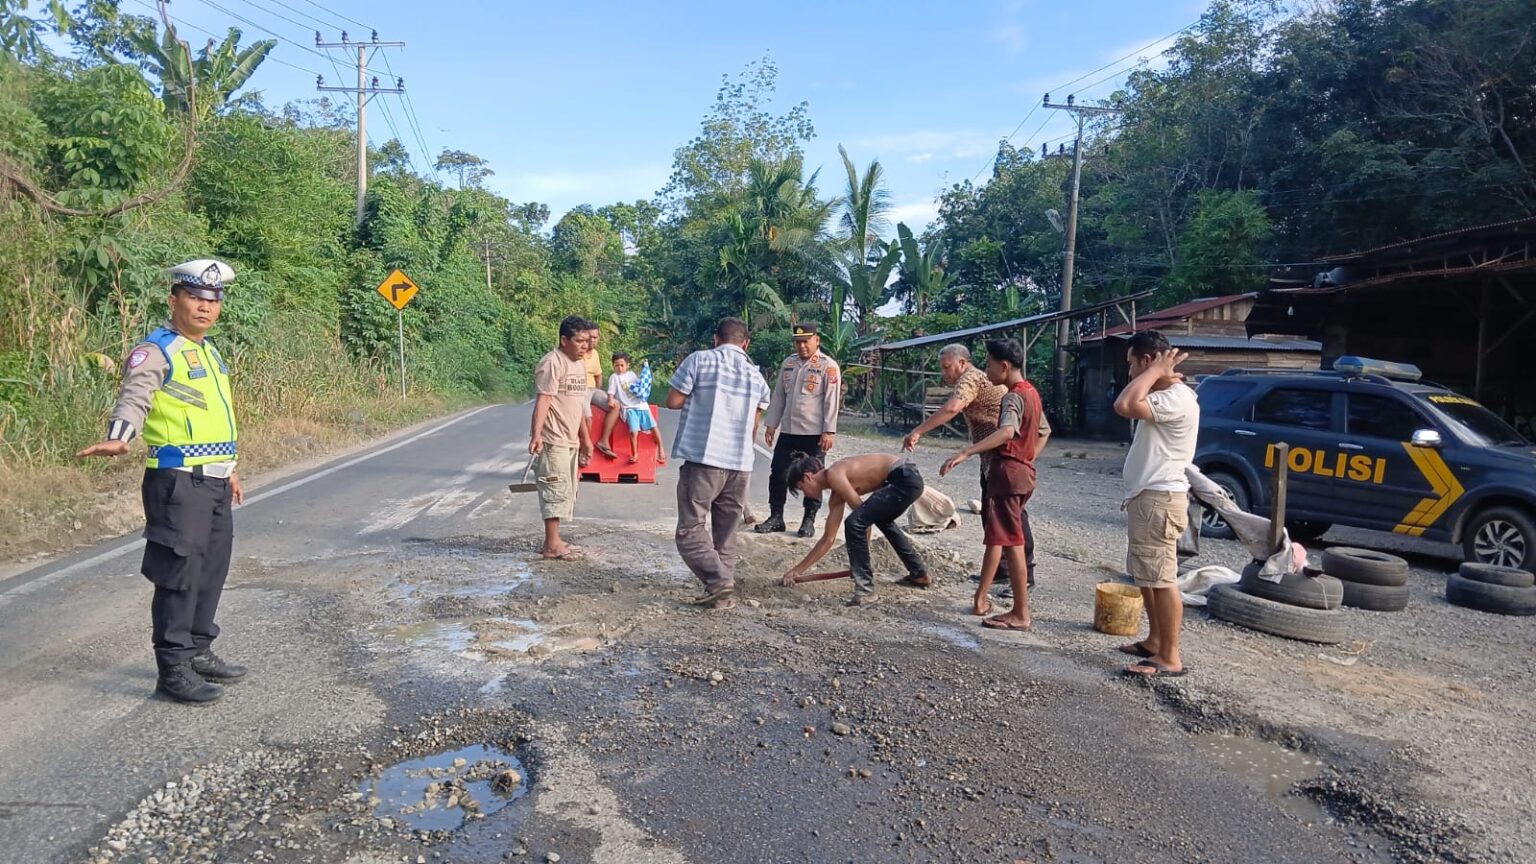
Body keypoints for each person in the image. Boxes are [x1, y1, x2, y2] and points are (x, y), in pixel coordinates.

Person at [76, 259, 247, 705]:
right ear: (174, 301)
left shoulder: (209, 352)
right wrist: (120, 436)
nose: (205, 307)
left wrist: (230, 467)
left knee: (211, 570)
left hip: (214, 482)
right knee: (179, 575)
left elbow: (214, 418)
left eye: (213, 300)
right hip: (177, 483)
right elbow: (136, 396)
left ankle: (198, 650)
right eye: (195, 298)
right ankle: (172, 669)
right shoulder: (156, 351)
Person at [903, 343, 1050, 589]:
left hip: (1004, 462)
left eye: (947, 367)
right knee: (994, 520)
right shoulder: (1021, 390)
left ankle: (1024, 578)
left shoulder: (973, 379)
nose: (944, 373)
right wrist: (1027, 458)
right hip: (997, 462)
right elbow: (1044, 430)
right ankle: (1002, 572)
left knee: (1011, 522)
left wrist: (918, 432)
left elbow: (954, 407)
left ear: (962, 363)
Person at [666, 317, 772, 610]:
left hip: (705, 459)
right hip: (740, 464)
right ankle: (722, 597)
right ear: (745, 344)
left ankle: (719, 580)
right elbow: (754, 423)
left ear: (716, 339)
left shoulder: (699, 360)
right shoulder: (756, 378)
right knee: (726, 534)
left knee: (690, 529)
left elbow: (673, 401)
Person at [939, 339, 1043, 630]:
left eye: (988, 365)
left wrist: (966, 452)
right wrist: (1028, 458)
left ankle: (1020, 613)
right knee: (1002, 538)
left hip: (1006, 472)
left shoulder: (1012, 397)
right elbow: (1042, 431)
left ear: (1004, 366)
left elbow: (1007, 431)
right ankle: (982, 599)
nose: (986, 372)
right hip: (1021, 473)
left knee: (1013, 543)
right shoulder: (1032, 393)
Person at [1112, 330, 1199, 678]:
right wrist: (1155, 373)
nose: (1130, 372)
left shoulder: (1176, 398)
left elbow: (1123, 406)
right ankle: (1155, 641)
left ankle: (1170, 656)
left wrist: (1154, 371)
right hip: (1148, 497)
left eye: (1133, 364)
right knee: (1147, 574)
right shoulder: (1163, 395)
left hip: (1160, 498)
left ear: (1147, 361)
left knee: (1162, 578)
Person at [777, 453, 930, 606]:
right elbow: (828, 539)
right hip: (904, 479)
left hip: (903, 476)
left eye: (802, 488)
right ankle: (919, 574)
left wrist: (861, 564)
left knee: (854, 522)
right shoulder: (836, 495)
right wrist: (797, 571)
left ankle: (866, 591)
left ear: (808, 477)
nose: (806, 494)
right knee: (881, 521)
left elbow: (861, 521)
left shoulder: (834, 474)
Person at [757, 322, 841, 538]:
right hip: (789, 431)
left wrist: (828, 431)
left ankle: (808, 521)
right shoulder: (788, 363)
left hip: (814, 434)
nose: (802, 346)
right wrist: (772, 424)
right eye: (797, 342)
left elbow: (831, 401)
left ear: (816, 340)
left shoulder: (828, 366)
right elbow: (779, 396)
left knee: (813, 478)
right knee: (778, 473)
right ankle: (776, 517)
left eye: (806, 341)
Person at [530, 316, 595, 561]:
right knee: (554, 487)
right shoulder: (552, 363)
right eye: (579, 341)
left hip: (570, 439)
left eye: (587, 341)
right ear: (564, 340)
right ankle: (551, 544)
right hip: (553, 437)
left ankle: (555, 539)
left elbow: (578, 406)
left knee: (566, 489)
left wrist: (585, 439)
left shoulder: (579, 365)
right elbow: (544, 399)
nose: (584, 346)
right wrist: (537, 434)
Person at [600, 352, 666, 464]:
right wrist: (611, 400)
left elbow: (640, 386)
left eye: (622, 365)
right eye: (616, 365)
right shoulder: (614, 377)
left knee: (653, 426)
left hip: (641, 405)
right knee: (634, 431)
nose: (619, 368)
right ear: (613, 366)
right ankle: (635, 454)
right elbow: (611, 391)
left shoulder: (632, 375)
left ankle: (661, 449)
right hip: (628, 407)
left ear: (627, 365)